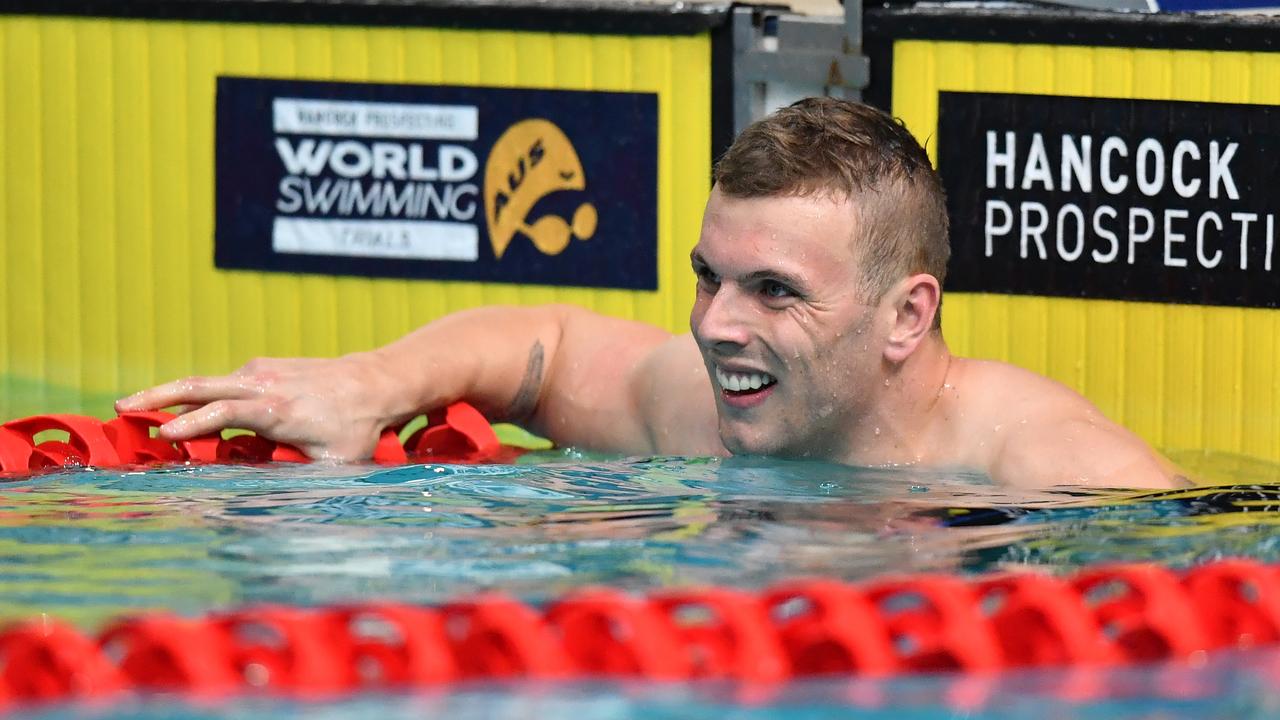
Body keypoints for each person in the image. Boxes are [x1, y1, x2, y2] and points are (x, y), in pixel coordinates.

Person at [117, 98, 1183, 489]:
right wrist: (367, 382)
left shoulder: (1046, 471)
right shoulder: (720, 407)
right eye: (707, 278)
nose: (718, 326)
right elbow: (546, 342)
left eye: (773, 291)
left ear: (907, 315)